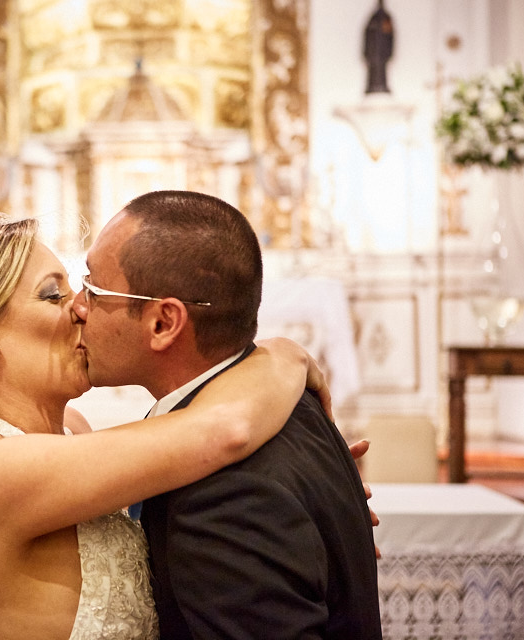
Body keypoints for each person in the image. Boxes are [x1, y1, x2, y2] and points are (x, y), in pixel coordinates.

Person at [0, 216, 345, 640]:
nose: (80, 307)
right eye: (52, 295)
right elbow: (224, 430)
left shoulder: (72, 429)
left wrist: (302, 507)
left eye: (76, 288)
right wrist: (283, 355)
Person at [73, 190, 382, 639]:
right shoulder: (293, 401)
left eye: (93, 289)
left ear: (163, 323)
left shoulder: (221, 495)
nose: (77, 307)